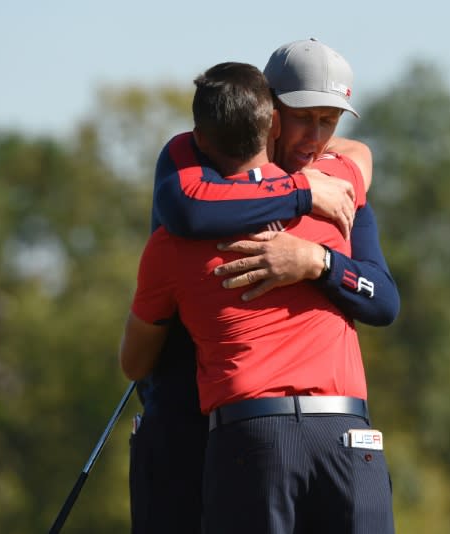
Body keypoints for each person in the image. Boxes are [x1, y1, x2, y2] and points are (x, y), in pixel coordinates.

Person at [127, 39, 399, 534]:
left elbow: (383, 301)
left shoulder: (336, 183)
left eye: (329, 121)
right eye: (304, 117)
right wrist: (300, 192)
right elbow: (186, 211)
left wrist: (317, 262)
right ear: (269, 110)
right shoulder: (191, 155)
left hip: (290, 433)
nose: (314, 137)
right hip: (187, 424)